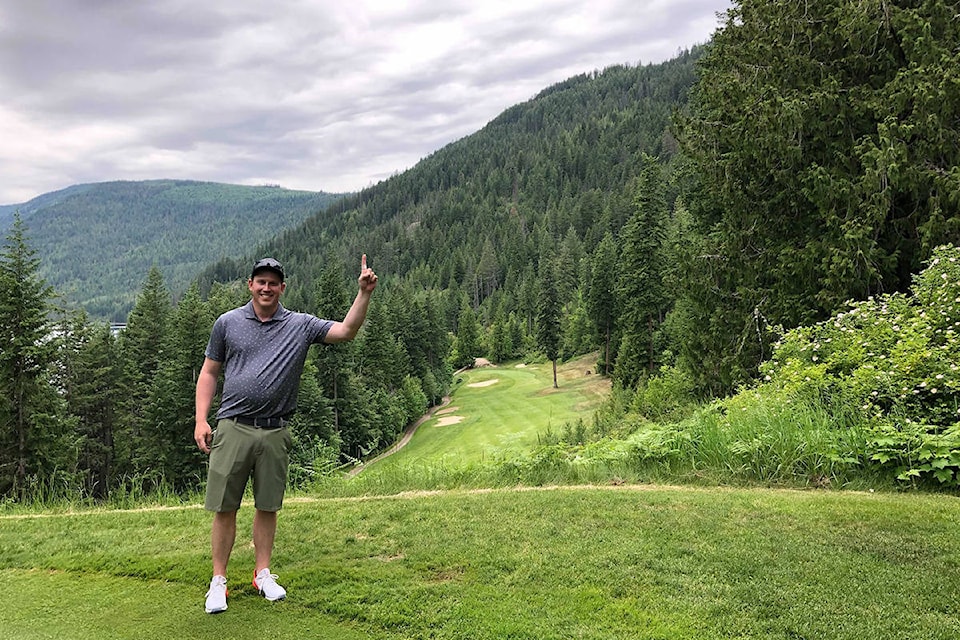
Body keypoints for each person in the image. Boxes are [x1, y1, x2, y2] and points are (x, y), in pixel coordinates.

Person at [194, 255, 377, 614]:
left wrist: (363, 293)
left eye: (273, 282)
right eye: (260, 281)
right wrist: (202, 419)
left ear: (282, 287)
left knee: (268, 505)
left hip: (275, 430)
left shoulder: (300, 325)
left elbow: (346, 331)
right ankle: (218, 581)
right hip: (232, 425)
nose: (266, 287)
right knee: (224, 506)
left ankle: (262, 573)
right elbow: (209, 372)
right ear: (250, 285)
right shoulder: (227, 323)